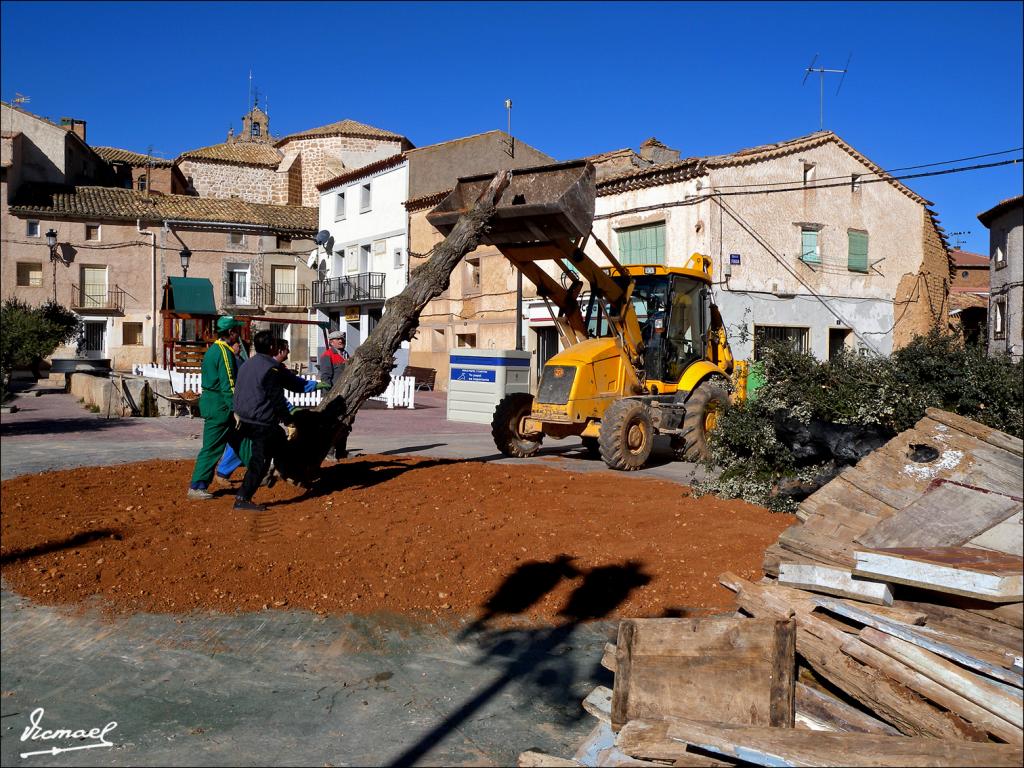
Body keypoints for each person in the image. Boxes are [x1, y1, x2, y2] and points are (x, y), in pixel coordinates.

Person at [231, 331, 315, 511]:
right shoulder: (271, 369)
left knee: (280, 441)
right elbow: (277, 398)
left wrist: (310, 385)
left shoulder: (249, 363)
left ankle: (286, 472)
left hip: (243, 418)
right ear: (272, 347)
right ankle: (242, 498)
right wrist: (289, 421)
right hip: (260, 421)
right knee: (259, 461)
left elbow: (290, 383)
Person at [188, 316, 245, 500]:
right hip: (220, 407)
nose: (239, 334)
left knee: (243, 440)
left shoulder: (214, 350)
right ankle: (197, 486)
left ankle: (263, 470)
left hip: (215, 404)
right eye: (237, 330)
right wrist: (235, 408)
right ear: (231, 333)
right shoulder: (224, 352)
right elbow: (228, 384)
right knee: (212, 448)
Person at [318, 330, 351, 460]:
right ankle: (329, 452)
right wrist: (328, 396)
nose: (341, 341)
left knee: (346, 423)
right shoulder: (327, 355)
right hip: (334, 397)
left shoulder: (345, 354)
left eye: (342, 339)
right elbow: (326, 377)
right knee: (332, 424)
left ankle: (341, 451)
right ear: (331, 342)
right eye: (337, 339)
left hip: (346, 394)